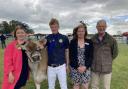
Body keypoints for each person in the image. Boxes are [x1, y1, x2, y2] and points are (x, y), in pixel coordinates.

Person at [91, 19, 118, 89]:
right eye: (99, 26)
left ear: (106, 27)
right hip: (95, 67)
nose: (101, 28)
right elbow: (90, 52)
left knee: (106, 87)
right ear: (96, 27)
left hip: (106, 68)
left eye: (103, 26)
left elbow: (115, 53)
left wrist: (107, 60)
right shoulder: (93, 38)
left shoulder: (112, 39)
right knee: (94, 86)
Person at [43, 18, 69, 89]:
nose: (53, 28)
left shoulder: (64, 38)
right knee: (51, 87)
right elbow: (41, 47)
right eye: (52, 27)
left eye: (55, 26)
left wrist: (67, 65)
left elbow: (67, 51)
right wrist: (42, 43)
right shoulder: (47, 38)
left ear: (58, 26)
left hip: (61, 66)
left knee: (63, 86)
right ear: (50, 27)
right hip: (50, 67)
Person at [69, 23, 93, 89]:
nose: (80, 33)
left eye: (82, 31)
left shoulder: (89, 42)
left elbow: (91, 56)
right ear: (76, 32)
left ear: (85, 32)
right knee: (76, 85)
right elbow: (71, 56)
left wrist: (85, 66)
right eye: (79, 31)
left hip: (86, 67)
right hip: (75, 67)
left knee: (85, 86)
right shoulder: (72, 42)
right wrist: (77, 67)